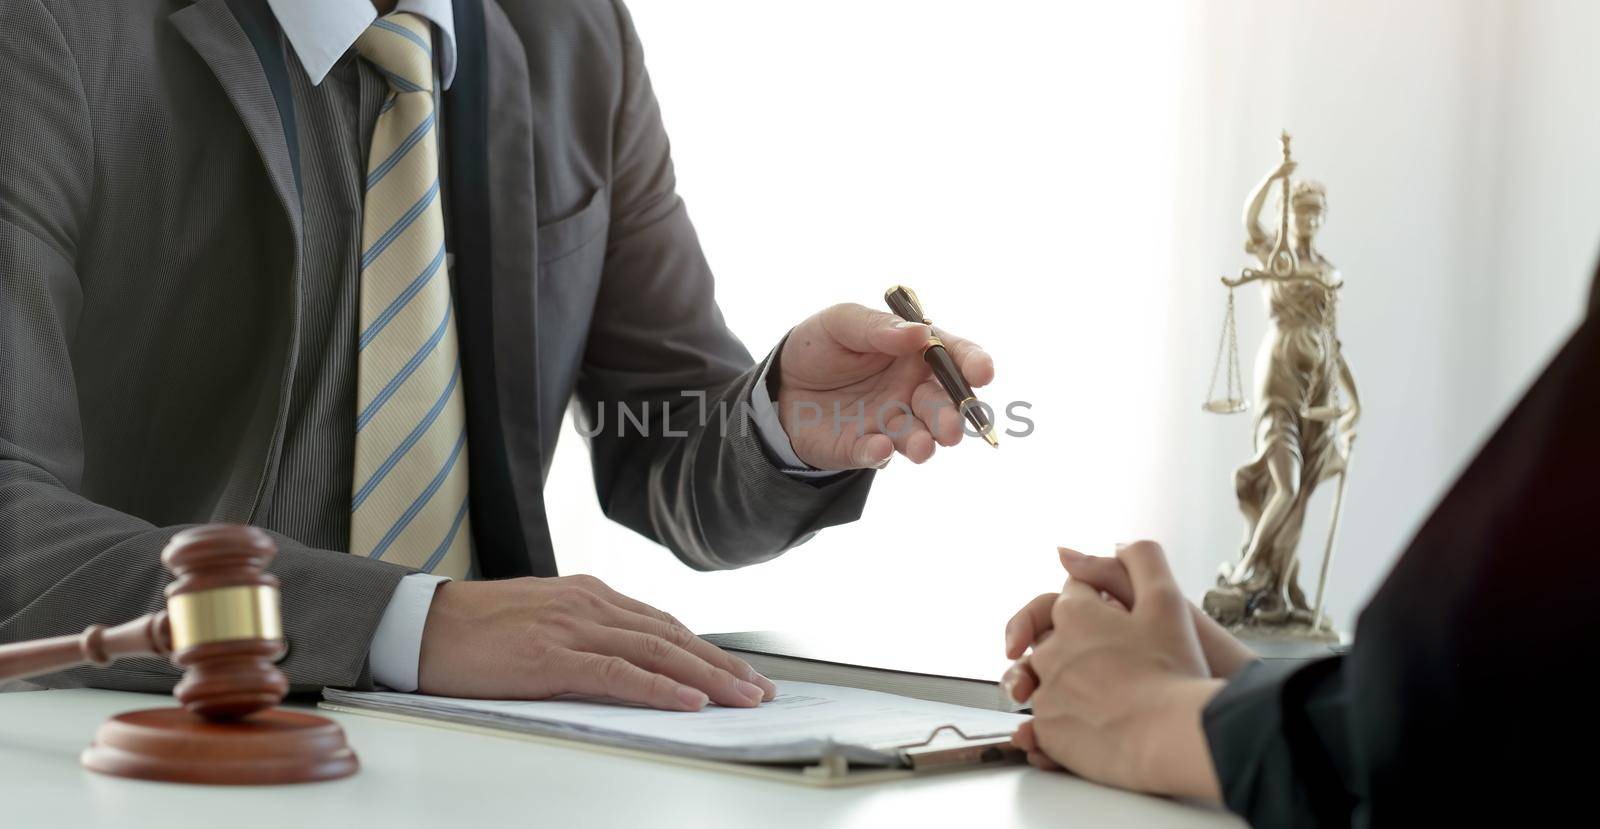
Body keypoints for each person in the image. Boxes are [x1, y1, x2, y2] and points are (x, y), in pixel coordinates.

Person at [0, 0, 993, 709]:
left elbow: (668, 441)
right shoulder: (48, 30)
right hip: (152, 738)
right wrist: (404, 623)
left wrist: (785, 420)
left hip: (501, 753)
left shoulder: (574, 33)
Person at [1003, 266, 1600, 824]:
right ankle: (1249, 579)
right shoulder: (1287, 286)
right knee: (1282, 485)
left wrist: (1162, 720)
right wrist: (1233, 686)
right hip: (1281, 406)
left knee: (1292, 489)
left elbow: (1460, 760)